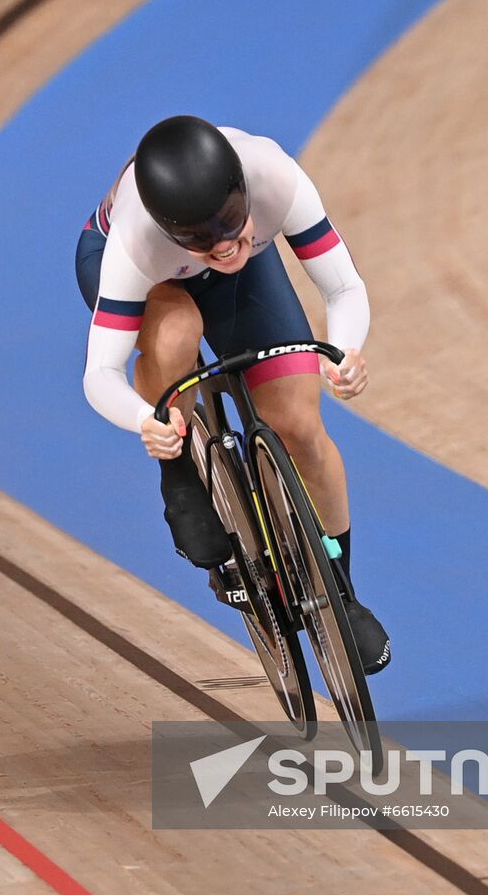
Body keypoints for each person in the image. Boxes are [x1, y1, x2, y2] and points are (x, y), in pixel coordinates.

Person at [74, 115, 390, 674]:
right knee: (176, 335)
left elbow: (342, 286)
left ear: (244, 193)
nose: (223, 246)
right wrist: (146, 422)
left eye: (230, 222)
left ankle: (341, 589)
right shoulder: (133, 242)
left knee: (299, 428)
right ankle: (181, 470)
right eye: (201, 237)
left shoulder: (272, 174)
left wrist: (343, 352)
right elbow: (101, 373)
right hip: (158, 283)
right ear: (170, 231)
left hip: (231, 274)